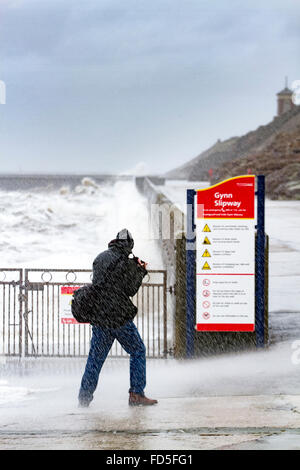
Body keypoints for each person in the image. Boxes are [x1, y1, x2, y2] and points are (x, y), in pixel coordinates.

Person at [78, 228, 158, 407]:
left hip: (100, 317)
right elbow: (130, 290)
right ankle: (136, 394)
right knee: (137, 351)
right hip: (119, 317)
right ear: (129, 245)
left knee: (95, 360)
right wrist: (140, 271)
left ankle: (84, 399)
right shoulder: (126, 262)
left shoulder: (100, 258)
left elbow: (100, 285)